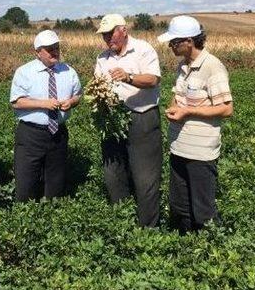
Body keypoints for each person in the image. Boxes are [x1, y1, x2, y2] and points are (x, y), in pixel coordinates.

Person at [158, 15, 233, 233]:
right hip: (178, 146)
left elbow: (227, 108)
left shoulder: (212, 66)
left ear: (189, 41)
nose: (170, 46)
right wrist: (174, 107)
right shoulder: (182, 66)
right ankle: (185, 249)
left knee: (203, 208)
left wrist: (188, 111)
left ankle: (209, 251)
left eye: (174, 42)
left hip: (201, 152)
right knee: (179, 205)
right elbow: (178, 97)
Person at [94, 14, 162, 227]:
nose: (107, 38)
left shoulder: (143, 50)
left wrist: (128, 77)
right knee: (113, 173)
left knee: (145, 177)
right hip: (112, 119)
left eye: (110, 33)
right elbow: (98, 84)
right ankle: (121, 223)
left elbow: (153, 79)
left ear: (123, 30)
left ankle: (147, 229)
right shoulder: (102, 59)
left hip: (141, 117)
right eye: (104, 35)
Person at [10, 30, 82, 201]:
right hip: (31, 134)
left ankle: (51, 216)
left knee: (55, 184)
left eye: (56, 47)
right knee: (26, 183)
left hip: (58, 134)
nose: (54, 52)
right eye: (49, 49)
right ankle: (26, 218)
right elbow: (16, 102)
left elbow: (78, 95)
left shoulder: (68, 71)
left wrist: (71, 102)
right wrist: (44, 103)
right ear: (37, 52)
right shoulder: (24, 72)